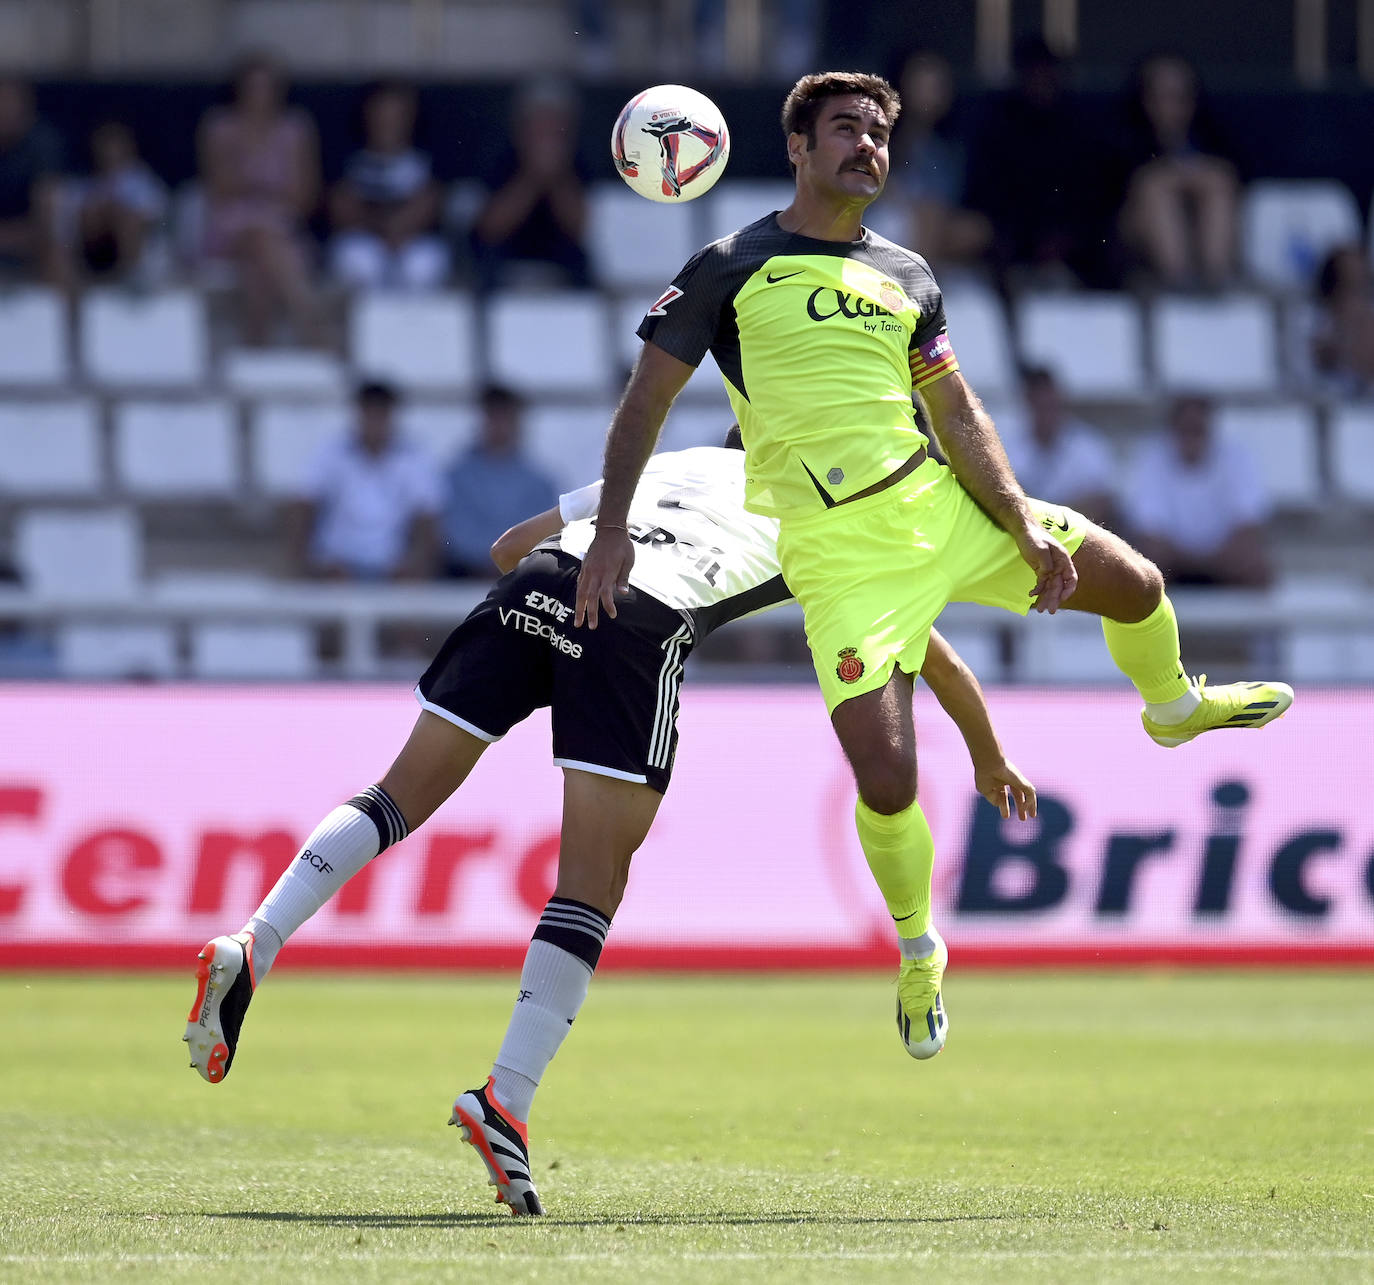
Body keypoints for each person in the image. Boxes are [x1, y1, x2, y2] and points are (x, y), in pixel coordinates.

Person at [575, 70, 1292, 1068]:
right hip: (839, 561)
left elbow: (958, 414)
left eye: (877, 132)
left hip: (939, 507)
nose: (866, 146)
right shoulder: (729, 266)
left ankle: (1172, 708)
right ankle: (920, 945)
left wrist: (1021, 525)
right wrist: (611, 526)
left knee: (1137, 583)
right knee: (888, 774)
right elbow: (644, 401)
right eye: (843, 130)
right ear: (796, 147)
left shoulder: (908, 274)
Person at [183, 433, 1037, 1216]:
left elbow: (505, 546)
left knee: (395, 796)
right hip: (637, 623)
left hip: (539, 581)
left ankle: (256, 938)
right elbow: (924, 651)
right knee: (593, 881)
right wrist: (989, 753)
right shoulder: (828, 515)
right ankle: (504, 1100)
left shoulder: (677, 461)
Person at [198, 52, 323, 344]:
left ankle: (256, 346)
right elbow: (218, 189)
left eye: (266, 88)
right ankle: (310, 321)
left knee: (258, 266)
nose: (259, 96)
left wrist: (254, 187)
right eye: (252, 87)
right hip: (230, 227)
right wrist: (268, 190)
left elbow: (305, 195)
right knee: (260, 241)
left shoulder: (295, 129)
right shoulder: (219, 127)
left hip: (281, 227)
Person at [287, 381, 442, 580]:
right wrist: (308, 565)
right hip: (337, 567)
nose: (375, 421)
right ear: (358, 414)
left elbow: (428, 519)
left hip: (394, 568)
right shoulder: (330, 452)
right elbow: (303, 505)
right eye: (370, 413)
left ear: (391, 416)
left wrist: (417, 566)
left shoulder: (414, 457)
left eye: (381, 413)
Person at [1119, 395, 1273, 588]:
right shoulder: (1149, 459)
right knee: (1143, 561)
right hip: (1170, 565)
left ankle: (1252, 619)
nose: (1191, 437)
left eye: (1198, 430)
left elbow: (1249, 526)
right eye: (1185, 429)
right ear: (1172, 430)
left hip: (1226, 562)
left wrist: (1213, 560)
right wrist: (1191, 560)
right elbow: (1149, 534)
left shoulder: (1238, 457)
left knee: (1257, 566)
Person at [1118, 55, 1239, 291]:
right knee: (1155, 188)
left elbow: (1228, 175)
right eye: (1161, 96)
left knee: (1218, 183)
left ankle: (1215, 284)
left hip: (1197, 240)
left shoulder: (1213, 138)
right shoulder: (1123, 140)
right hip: (1132, 246)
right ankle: (1178, 287)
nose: (1171, 106)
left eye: (1180, 97)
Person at [470, 80, 590, 292]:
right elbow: (489, 228)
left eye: (554, 122)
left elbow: (583, 229)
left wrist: (557, 177)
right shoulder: (500, 160)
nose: (546, 131)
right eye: (538, 122)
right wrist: (531, 178)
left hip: (567, 282)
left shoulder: (581, 164)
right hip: (504, 278)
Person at [328, 81, 448, 290]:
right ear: (368, 115)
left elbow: (429, 204)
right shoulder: (349, 159)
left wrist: (398, 227)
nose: (387, 122)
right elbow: (341, 208)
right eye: (381, 114)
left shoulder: (425, 159)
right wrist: (381, 228)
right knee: (357, 258)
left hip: (410, 243)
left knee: (423, 263)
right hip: (365, 241)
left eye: (395, 115)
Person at [440, 384, 559, 578]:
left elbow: (545, 536)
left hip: (521, 576)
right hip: (467, 574)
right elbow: (455, 531)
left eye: (506, 417)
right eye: (494, 417)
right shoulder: (457, 475)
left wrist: (505, 561)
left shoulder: (540, 481)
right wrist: (494, 560)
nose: (500, 424)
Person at [885, 50, 989, 269]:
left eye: (938, 86)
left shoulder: (946, 148)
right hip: (882, 221)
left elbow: (947, 202)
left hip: (931, 230)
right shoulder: (881, 133)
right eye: (923, 85)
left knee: (974, 228)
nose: (932, 95)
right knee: (928, 215)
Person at [998, 366, 1117, 528]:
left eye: (1050, 404)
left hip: (1079, 537)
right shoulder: (1009, 448)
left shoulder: (1088, 446)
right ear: (1028, 404)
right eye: (1039, 405)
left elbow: (1103, 501)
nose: (1046, 412)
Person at [75, 121, 168, 284]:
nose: (110, 152)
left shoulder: (144, 181)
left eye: (115, 145)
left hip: (142, 251)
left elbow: (158, 217)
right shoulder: (89, 184)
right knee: (88, 215)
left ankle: (132, 278)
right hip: (99, 250)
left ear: (128, 148)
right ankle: (85, 277)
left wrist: (116, 211)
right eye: (106, 146)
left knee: (129, 220)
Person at [0, 77, 67, 286]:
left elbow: (45, 220)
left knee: (59, 253)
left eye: (10, 105)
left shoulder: (42, 145)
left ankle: (65, 316)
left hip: (27, 238)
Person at [1310, 244, 1374, 397]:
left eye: (1365, 289)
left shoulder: (1368, 320)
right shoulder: (1318, 341)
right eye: (1352, 289)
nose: (1362, 304)